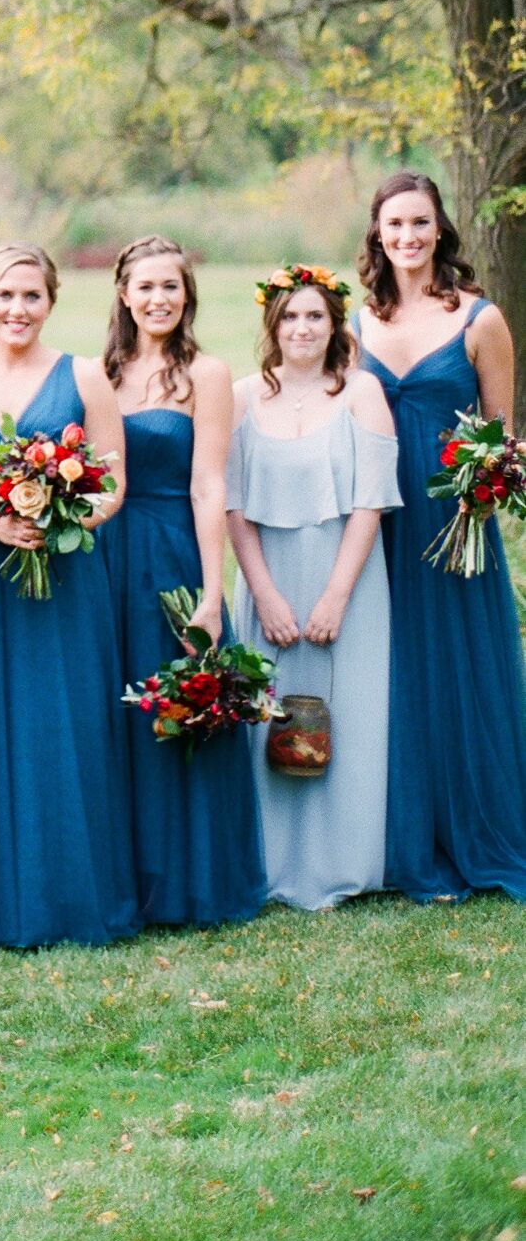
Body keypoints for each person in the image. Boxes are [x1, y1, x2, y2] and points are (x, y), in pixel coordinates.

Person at [0, 241, 138, 949]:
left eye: (32, 297)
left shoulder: (85, 376)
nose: (17, 309)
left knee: (67, 729)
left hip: (68, 583)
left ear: (51, 302)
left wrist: (64, 517)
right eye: (5, 296)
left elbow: (112, 482)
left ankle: (74, 896)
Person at [355, 172, 526, 901]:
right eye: (395, 225)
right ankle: (395, 839)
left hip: (454, 519)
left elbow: (503, 434)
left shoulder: (479, 318)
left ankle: (476, 827)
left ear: (440, 228)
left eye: (420, 223)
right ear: (377, 234)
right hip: (376, 516)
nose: (408, 237)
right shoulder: (356, 319)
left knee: (461, 670)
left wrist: (487, 487)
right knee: (387, 668)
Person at [99, 236, 265, 927]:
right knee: (111, 706)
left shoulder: (208, 374)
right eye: (145, 286)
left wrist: (211, 591)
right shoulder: (99, 376)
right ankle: (119, 875)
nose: (158, 298)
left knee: (178, 701)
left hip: (171, 547)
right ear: (124, 295)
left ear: (187, 295)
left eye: (171, 286)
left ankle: (187, 876)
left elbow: (209, 487)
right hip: (103, 555)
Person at [228, 266, 398, 909]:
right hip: (269, 572)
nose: (302, 328)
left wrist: (335, 597)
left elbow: (370, 504)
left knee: (344, 712)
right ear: (272, 325)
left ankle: (342, 864)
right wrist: (265, 594)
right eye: (290, 317)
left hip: (344, 571)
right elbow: (233, 507)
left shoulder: (362, 393)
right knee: (268, 712)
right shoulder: (244, 396)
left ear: (336, 326)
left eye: (316, 317)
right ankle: (269, 864)